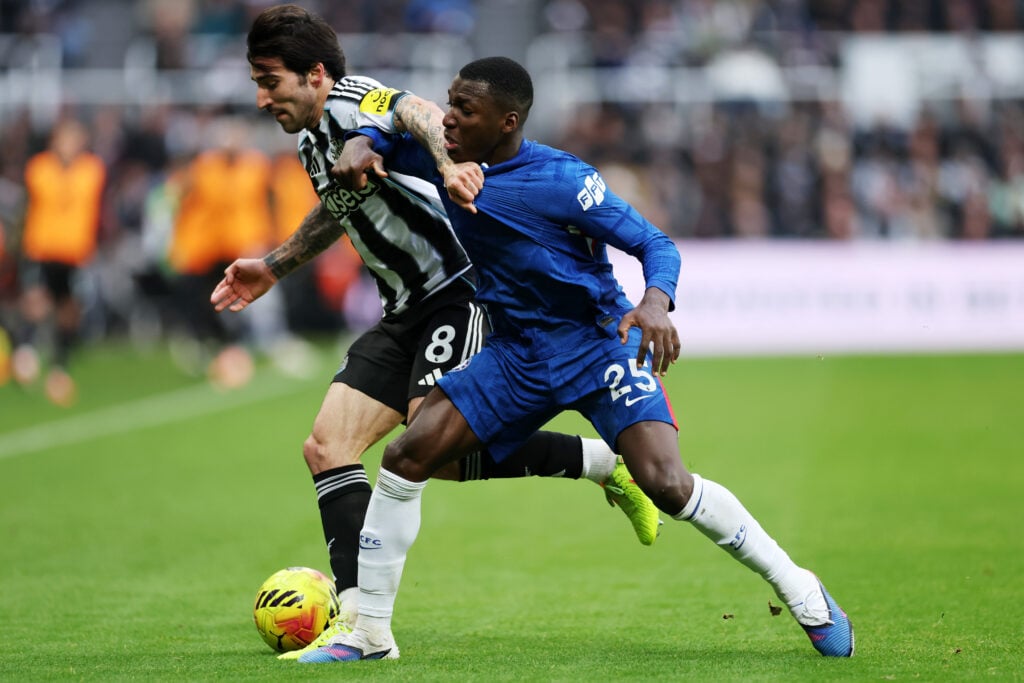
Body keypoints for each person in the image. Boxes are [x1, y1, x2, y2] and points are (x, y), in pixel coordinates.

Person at [298, 56, 855, 664]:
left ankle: (800, 589)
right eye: (450, 103)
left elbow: (653, 242)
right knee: (407, 457)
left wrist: (656, 303)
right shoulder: (449, 163)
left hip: (595, 345)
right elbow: (393, 127)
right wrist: (362, 141)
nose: (448, 119)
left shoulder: (563, 181)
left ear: (507, 122)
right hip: (515, 355)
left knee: (666, 484)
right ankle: (370, 635)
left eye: (465, 110)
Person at [210, 4, 661, 659]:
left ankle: (599, 464)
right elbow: (340, 206)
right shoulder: (312, 137)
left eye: (269, 80)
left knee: (430, 445)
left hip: (458, 291)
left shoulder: (350, 100)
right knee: (326, 446)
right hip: (403, 308)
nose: (260, 98)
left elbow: (414, 110)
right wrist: (275, 266)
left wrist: (449, 165)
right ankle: (358, 621)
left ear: (314, 75)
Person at [12, 117, 106, 406]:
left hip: (75, 252)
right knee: (36, 300)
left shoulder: (91, 170)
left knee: (69, 307)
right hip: (41, 247)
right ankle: (25, 350)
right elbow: (28, 207)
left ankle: (59, 365)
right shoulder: (39, 168)